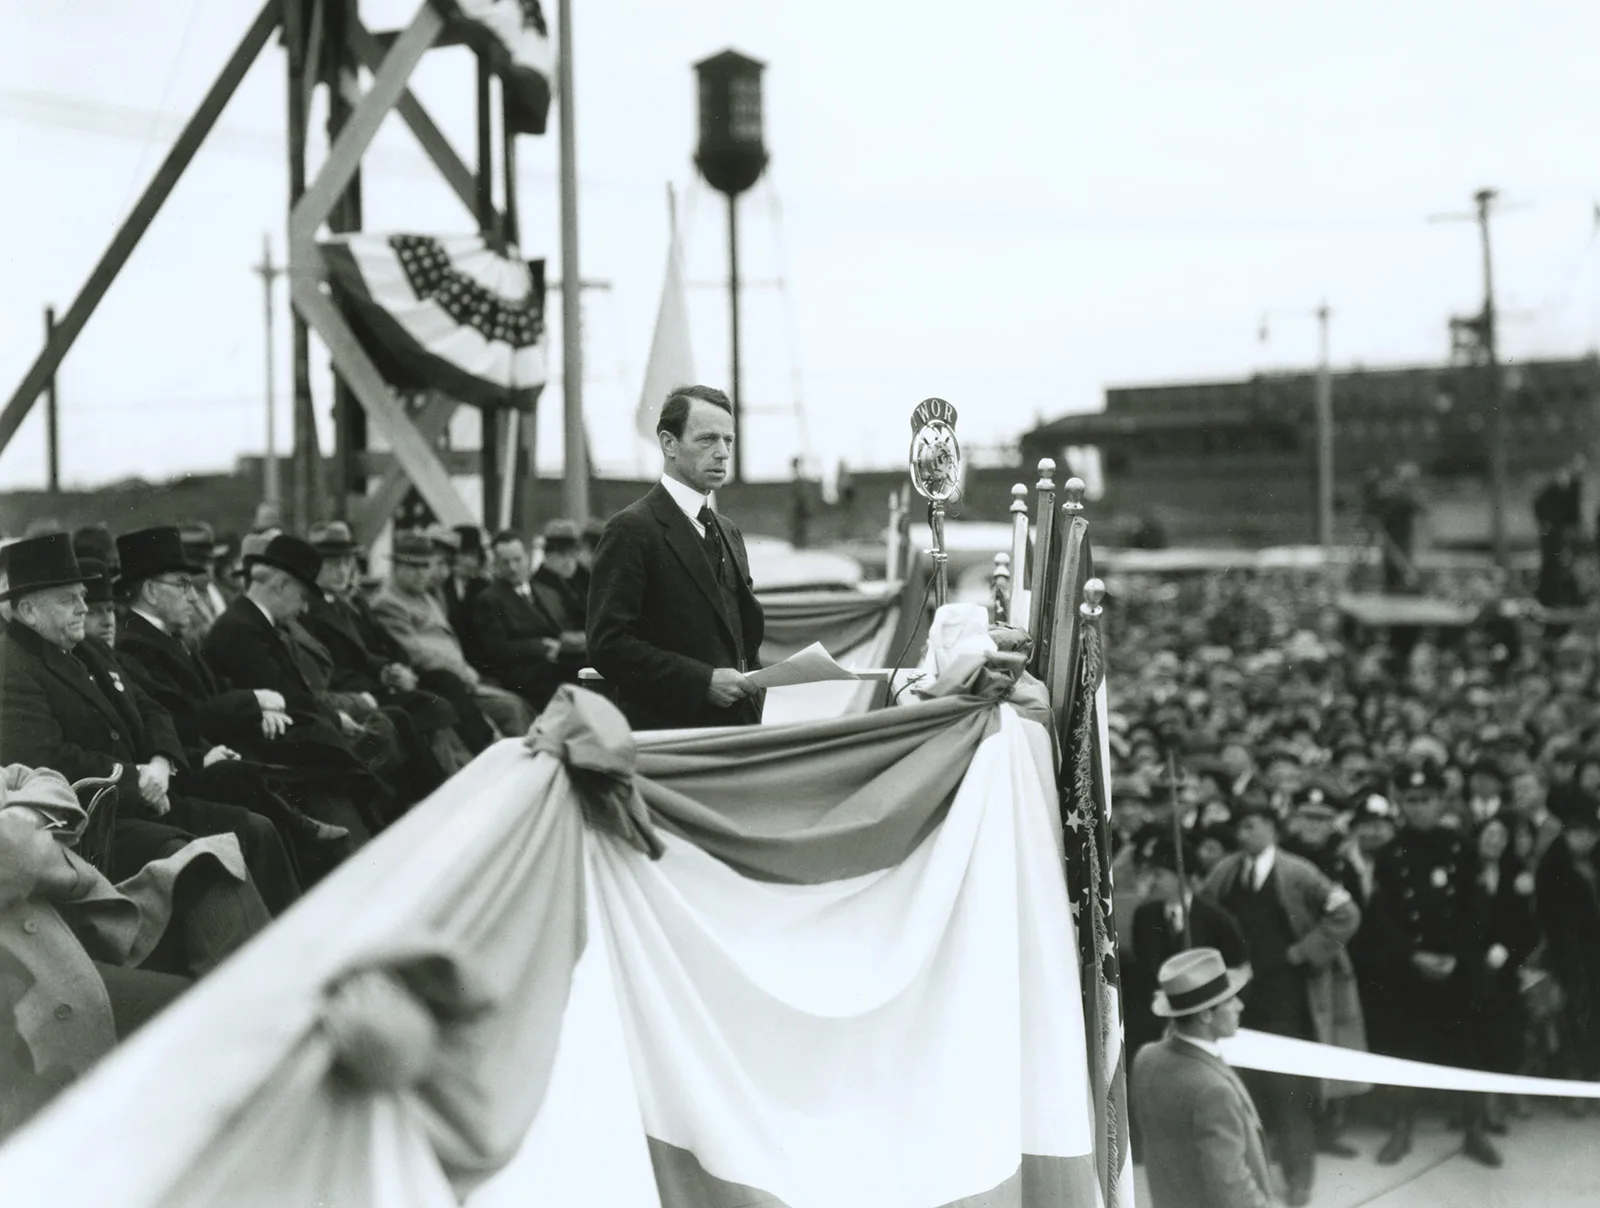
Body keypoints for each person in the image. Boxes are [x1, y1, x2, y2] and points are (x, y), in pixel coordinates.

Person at [0, 534, 299, 914]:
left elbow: (152, 710)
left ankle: (297, 945)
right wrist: (135, 776)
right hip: (96, 828)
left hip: (151, 798)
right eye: (68, 599)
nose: (82, 607)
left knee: (257, 829)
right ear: (28, 611)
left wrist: (160, 761)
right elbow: (44, 761)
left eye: (81, 595)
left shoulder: (87, 648)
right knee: (202, 860)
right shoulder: (11, 667)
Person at [113, 526, 370, 849]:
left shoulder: (162, 637)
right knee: (301, 766)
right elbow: (180, 718)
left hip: (213, 751)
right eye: (183, 585)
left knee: (309, 757)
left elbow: (212, 691)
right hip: (189, 769)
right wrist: (252, 702)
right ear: (150, 591)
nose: (194, 596)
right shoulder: (136, 646)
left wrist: (256, 707)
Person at [1202, 801, 1365, 1204]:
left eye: (1252, 826)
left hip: (1287, 995)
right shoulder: (1226, 871)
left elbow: (1346, 914)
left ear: (1273, 829)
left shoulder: (1298, 872)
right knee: (1245, 1086)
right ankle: (1251, 1175)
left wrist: (1303, 952)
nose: (1244, 835)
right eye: (1239, 827)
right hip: (1240, 997)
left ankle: (1299, 1178)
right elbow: (1204, 910)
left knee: (1288, 1088)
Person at [587, 385, 766, 730]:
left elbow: (742, 634)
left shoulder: (728, 532)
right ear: (669, 444)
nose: (723, 453)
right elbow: (608, 645)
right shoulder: (631, 529)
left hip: (738, 734)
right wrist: (701, 682)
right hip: (671, 739)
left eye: (728, 441)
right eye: (707, 440)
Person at [1366, 758, 1501, 1166]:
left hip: (1457, 969)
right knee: (1408, 1049)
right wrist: (1413, 954)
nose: (1419, 807)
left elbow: (1477, 911)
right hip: (1411, 970)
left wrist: (1455, 957)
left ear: (1441, 800)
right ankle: (1402, 1128)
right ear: (1400, 803)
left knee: (1467, 1049)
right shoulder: (1389, 854)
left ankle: (1474, 1128)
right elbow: (1382, 917)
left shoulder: (1461, 847)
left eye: (1426, 799)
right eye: (1411, 799)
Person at [1131, 947, 1274, 1208]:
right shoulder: (1214, 1090)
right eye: (1230, 1000)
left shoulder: (1146, 1057)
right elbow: (1231, 1188)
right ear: (1206, 1014)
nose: (1240, 1006)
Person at [369, 531, 535, 739]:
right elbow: (415, 653)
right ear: (396, 567)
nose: (421, 573)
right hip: (436, 683)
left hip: (460, 678)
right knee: (510, 711)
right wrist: (461, 670)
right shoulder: (388, 604)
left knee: (517, 706)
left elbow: (448, 641)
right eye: (412, 566)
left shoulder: (425, 596)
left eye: (425, 565)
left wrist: (465, 669)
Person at [1534, 784, 1600, 1105]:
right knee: (1575, 1017)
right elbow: (1551, 919)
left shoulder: (1596, 862)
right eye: (1576, 831)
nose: (1583, 838)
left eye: (1590, 832)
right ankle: (1577, 1087)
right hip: (1569, 953)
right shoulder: (1554, 866)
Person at [473, 529, 575, 713]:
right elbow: (497, 649)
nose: (512, 567)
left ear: (527, 558)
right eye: (505, 562)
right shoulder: (489, 599)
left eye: (517, 560)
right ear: (495, 564)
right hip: (524, 672)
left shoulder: (545, 592)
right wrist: (542, 647)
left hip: (556, 663)